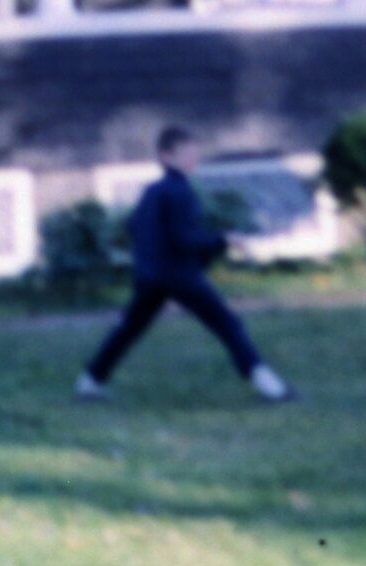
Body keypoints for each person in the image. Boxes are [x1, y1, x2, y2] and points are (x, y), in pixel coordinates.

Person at [77, 127, 295, 403]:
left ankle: (89, 382)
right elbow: (185, 239)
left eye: (194, 153)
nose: (192, 160)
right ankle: (270, 386)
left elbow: (133, 226)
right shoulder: (180, 191)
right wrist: (224, 239)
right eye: (185, 154)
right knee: (226, 323)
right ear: (165, 156)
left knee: (129, 329)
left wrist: (149, 257)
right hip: (179, 275)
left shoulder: (152, 191)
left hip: (149, 275)